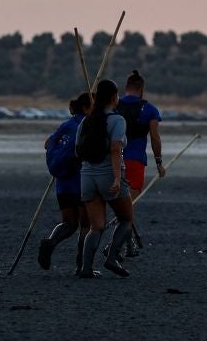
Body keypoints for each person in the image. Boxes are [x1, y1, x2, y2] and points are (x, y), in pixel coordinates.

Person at [75, 79, 138, 279]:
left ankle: (86, 268)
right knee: (126, 219)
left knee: (96, 226)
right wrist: (118, 178)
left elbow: (78, 151)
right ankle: (112, 258)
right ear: (113, 97)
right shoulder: (117, 120)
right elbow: (115, 148)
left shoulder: (86, 120)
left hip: (87, 177)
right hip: (108, 175)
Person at [35, 92, 92, 270]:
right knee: (85, 225)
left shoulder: (67, 124)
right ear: (86, 107)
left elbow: (48, 143)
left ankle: (51, 242)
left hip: (63, 182)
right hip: (82, 179)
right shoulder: (89, 125)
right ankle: (81, 265)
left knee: (69, 222)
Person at [115, 71, 164, 257]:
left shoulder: (113, 106)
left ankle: (128, 245)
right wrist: (159, 163)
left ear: (126, 88)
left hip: (112, 159)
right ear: (141, 89)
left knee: (121, 205)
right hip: (135, 161)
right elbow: (155, 138)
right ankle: (117, 247)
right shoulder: (149, 109)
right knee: (128, 206)